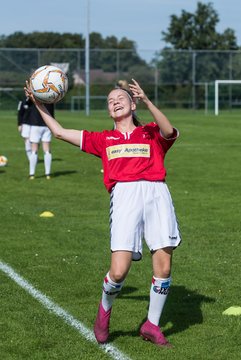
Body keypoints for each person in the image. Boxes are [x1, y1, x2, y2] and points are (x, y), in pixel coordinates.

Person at [24, 78, 181, 347]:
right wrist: (40, 104)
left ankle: (151, 325)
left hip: (157, 195)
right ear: (109, 111)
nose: (115, 102)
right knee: (119, 272)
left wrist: (147, 100)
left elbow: (170, 131)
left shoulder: (152, 133)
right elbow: (60, 132)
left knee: (164, 267)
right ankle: (104, 311)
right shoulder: (103, 140)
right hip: (125, 197)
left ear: (132, 104)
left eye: (120, 98)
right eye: (110, 101)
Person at [18, 95, 54, 180]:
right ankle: (47, 174)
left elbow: (25, 104)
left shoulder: (34, 96)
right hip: (47, 125)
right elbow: (52, 112)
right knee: (47, 150)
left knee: (34, 150)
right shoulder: (50, 97)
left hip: (35, 125)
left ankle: (32, 174)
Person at [17, 97, 32, 161]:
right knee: (27, 140)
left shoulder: (36, 101)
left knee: (34, 141)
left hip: (35, 124)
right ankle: (30, 158)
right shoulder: (22, 102)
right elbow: (20, 114)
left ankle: (33, 155)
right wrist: (19, 124)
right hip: (25, 124)